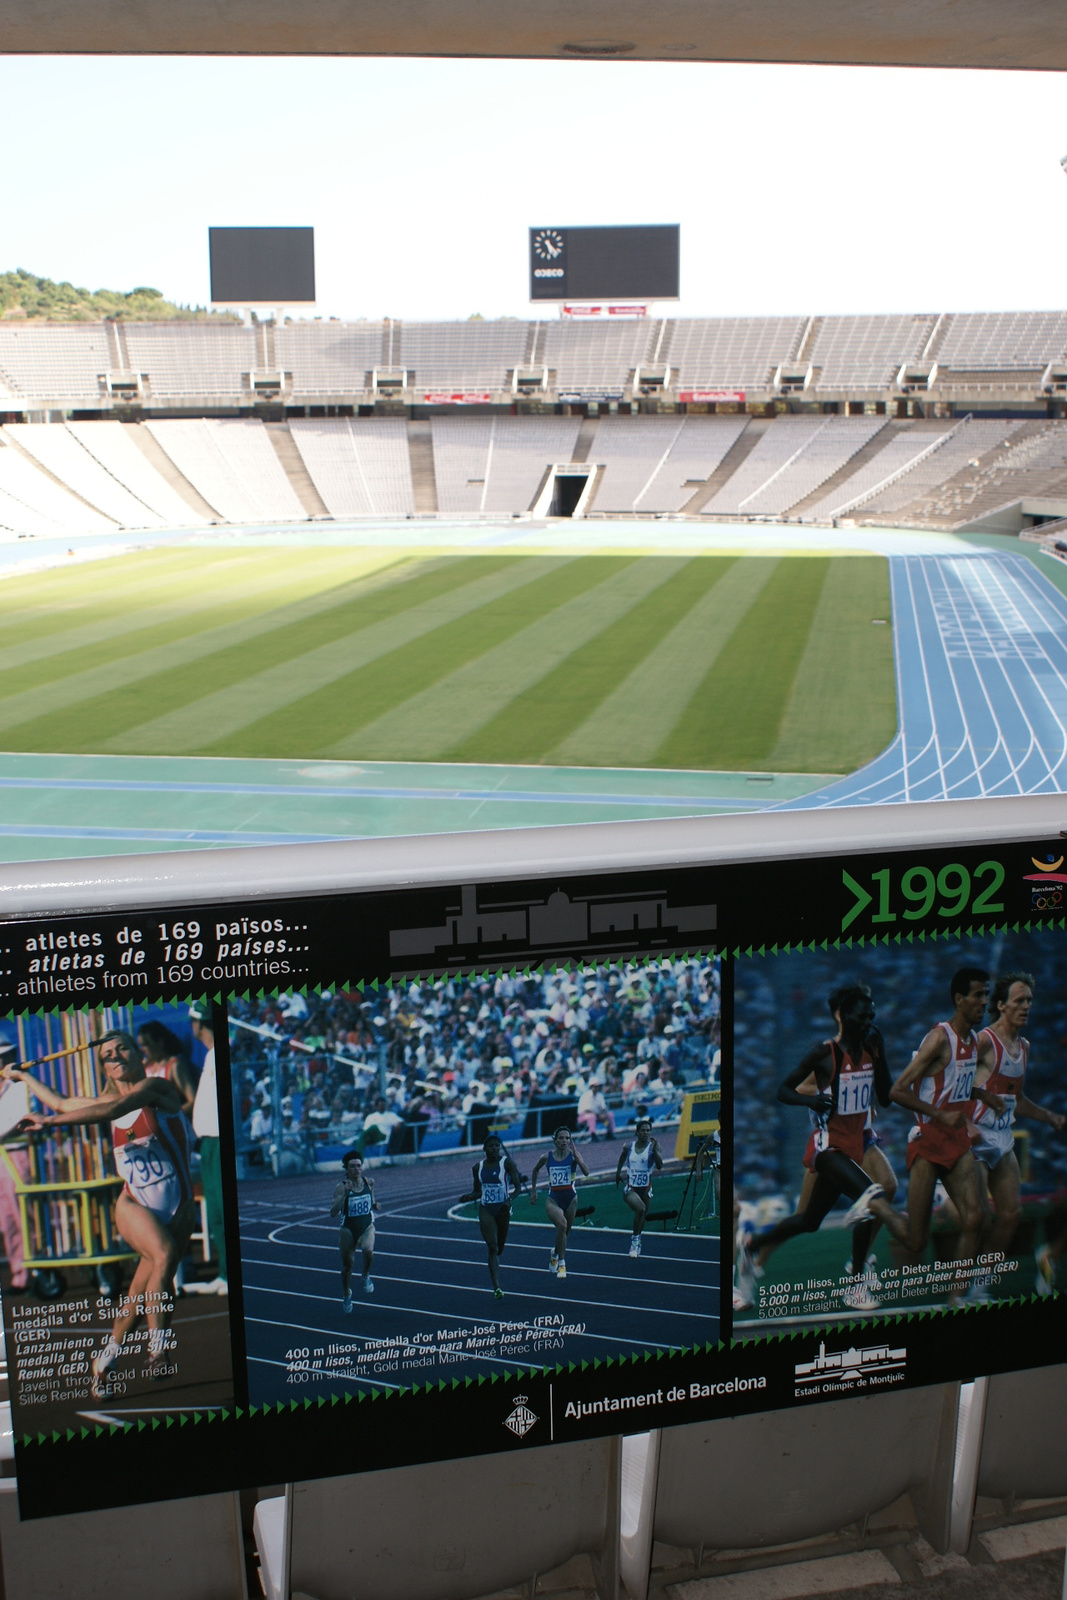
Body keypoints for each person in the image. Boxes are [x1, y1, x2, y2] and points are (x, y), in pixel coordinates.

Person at [8, 1030, 196, 1390]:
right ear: (106, 1068)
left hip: (178, 1206)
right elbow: (63, 1103)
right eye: (108, 1054)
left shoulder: (157, 1089)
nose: (117, 1055)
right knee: (165, 1254)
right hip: (133, 1204)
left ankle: (106, 1357)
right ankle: (159, 1351)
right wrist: (23, 1076)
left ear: (138, 1055)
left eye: (123, 1048)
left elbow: (112, 1110)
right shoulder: (103, 1100)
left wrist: (49, 1122)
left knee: (139, 1293)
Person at [736, 983, 910, 1311]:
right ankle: (752, 1255)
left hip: (861, 1138)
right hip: (829, 1144)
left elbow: (883, 1095)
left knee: (883, 1188)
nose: (869, 1020)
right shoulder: (826, 1056)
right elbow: (793, 1089)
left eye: (871, 1013)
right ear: (841, 1016)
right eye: (861, 1013)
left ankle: (858, 1271)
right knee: (807, 1220)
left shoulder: (870, 1046)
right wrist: (817, 1099)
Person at [890, 967, 1004, 1302]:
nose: (985, 1002)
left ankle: (956, 1298)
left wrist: (984, 1096)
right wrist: (940, 1114)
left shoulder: (972, 1041)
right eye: (978, 995)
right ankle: (878, 1207)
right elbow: (898, 1090)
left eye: (987, 994)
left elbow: (957, 1086)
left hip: (956, 1142)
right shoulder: (939, 1038)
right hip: (928, 1141)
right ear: (959, 999)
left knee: (976, 1218)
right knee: (916, 1241)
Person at [970, 973, 1065, 1298]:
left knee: (1011, 1214)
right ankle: (956, 1287)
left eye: (1029, 1001)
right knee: (978, 1215)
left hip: (1002, 1138)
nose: (1026, 1006)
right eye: (1019, 1000)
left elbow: (1018, 1099)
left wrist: (1048, 1116)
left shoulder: (1023, 1047)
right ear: (1001, 1005)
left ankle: (979, 1284)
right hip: (974, 1139)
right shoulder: (983, 1041)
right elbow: (951, 1084)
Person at [183, 1003, 227, 1295]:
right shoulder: (210, 1057)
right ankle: (224, 1273)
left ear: (199, 1023)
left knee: (221, 1209)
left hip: (216, 1141)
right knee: (214, 1211)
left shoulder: (216, 1057)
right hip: (208, 1143)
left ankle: (227, 1273)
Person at [461, 1133, 521, 1300]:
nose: (494, 1148)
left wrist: (509, 1201)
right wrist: (469, 1196)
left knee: (499, 1248)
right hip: (486, 1209)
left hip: (502, 1209)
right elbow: (477, 1191)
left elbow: (518, 1188)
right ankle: (496, 1287)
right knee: (493, 1247)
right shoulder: (477, 1168)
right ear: (484, 1149)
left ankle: (496, 1275)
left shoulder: (507, 1164)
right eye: (491, 1146)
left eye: (497, 1146)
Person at [530, 1126, 589, 1279]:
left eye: (567, 1138)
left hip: (571, 1199)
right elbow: (535, 1170)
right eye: (561, 1138)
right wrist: (534, 1191)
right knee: (562, 1226)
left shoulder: (574, 1155)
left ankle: (555, 1253)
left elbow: (587, 1172)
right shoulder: (546, 1157)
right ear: (555, 1141)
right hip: (553, 1199)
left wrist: (578, 1158)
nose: (564, 1141)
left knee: (565, 1233)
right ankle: (562, 1264)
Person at [330, 1150, 378, 1309]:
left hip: (366, 1226)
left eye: (359, 1166)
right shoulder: (341, 1187)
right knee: (347, 1266)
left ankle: (365, 1275)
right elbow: (333, 1213)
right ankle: (346, 1293)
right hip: (348, 1230)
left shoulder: (368, 1182)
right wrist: (345, 1194)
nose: (356, 1169)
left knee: (368, 1251)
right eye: (353, 1167)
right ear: (346, 1169)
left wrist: (375, 1205)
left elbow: (371, 1200)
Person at [615, 1117, 663, 1257]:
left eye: (648, 1130)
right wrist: (618, 1173)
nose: (646, 1133)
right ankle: (634, 1243)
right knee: (640, 1208)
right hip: (631, 1188)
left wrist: (654, 1151)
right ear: (637, 1132)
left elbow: (660, 1166)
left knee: (642, 1216)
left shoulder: (654, 1146)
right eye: (643, 1130)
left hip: (646, 1188)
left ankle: (638, 1239)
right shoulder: (628, 1146)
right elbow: (622, 1156)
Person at [136, 1021, 197, 1118]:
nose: (142, 1050)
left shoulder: (174, 1066)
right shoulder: (146, 1068)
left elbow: (193, 1100)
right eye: (140, 1045)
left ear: (160, 1042)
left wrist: (171, 1117)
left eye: (146, 1044)